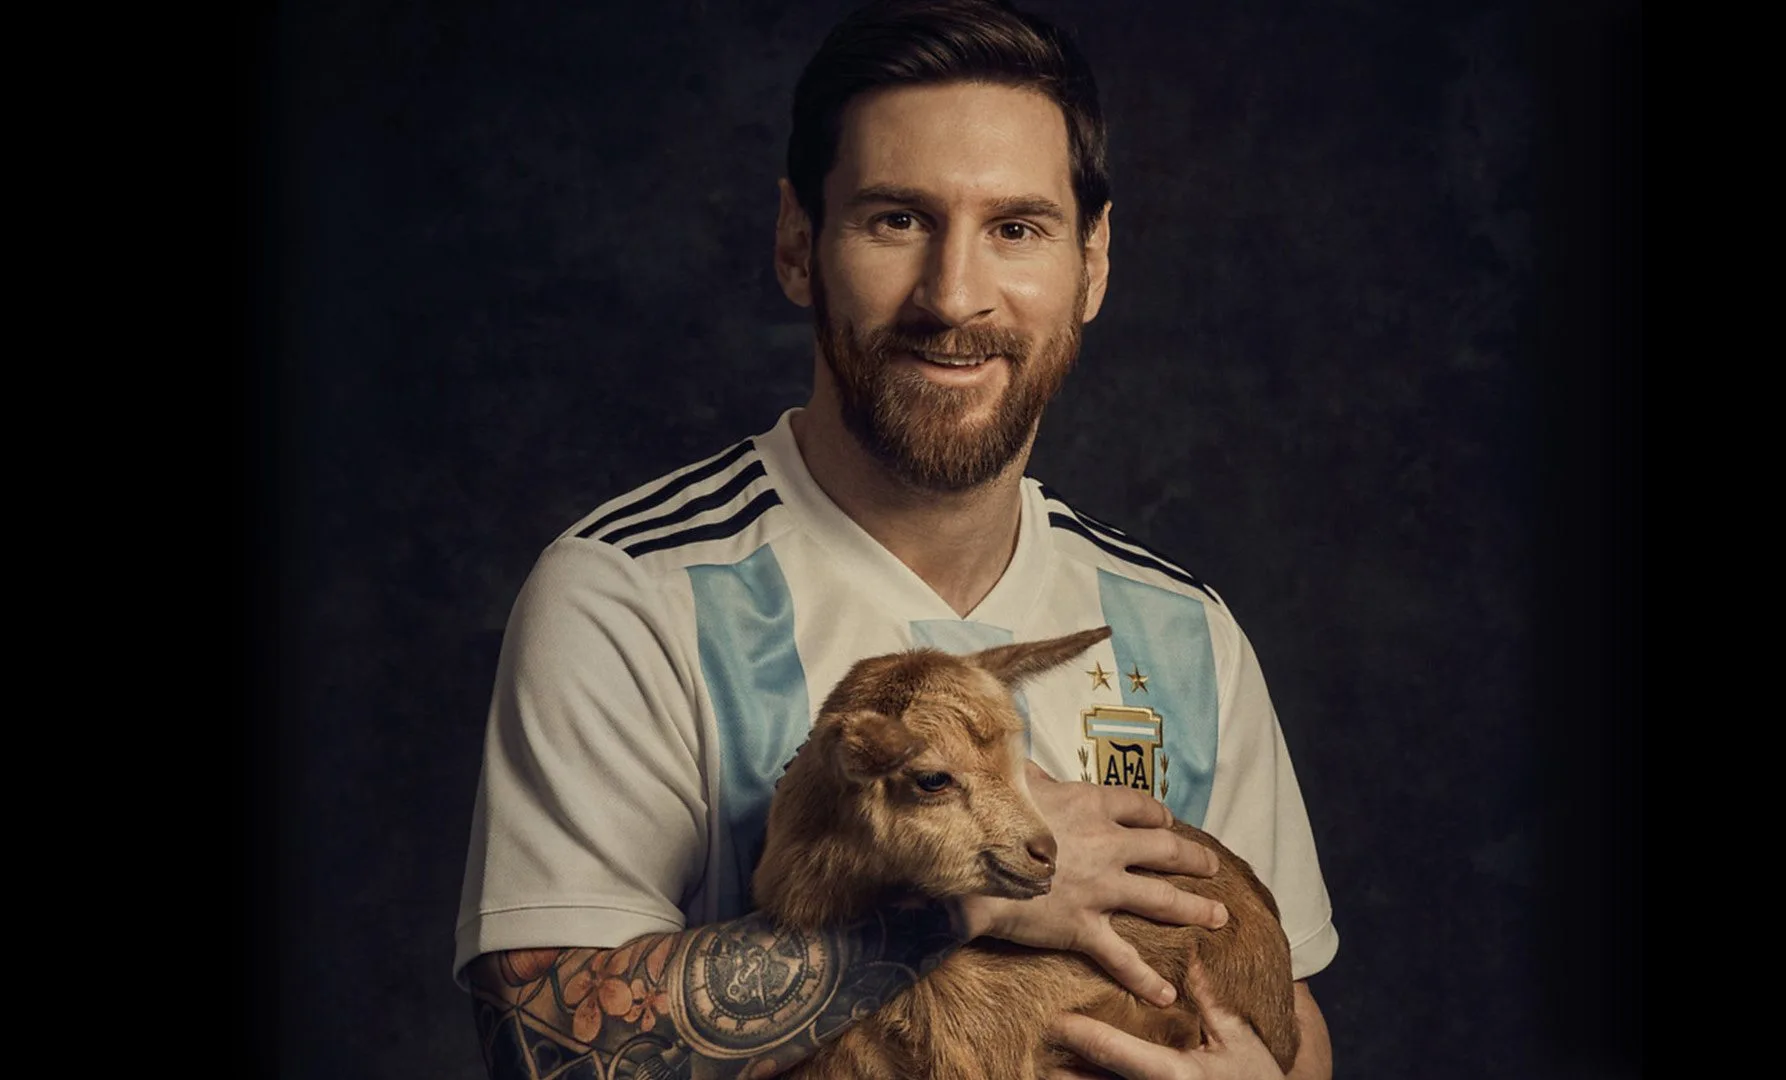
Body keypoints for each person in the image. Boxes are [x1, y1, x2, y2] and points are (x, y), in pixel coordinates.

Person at [454, 2, 1337, 1077]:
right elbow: (544, 1045)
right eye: (897, 220)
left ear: (1092, 262)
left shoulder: (1183, 633)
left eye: (1017, 228)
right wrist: (966, 898)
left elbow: (1286, 1019)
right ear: (798, 243)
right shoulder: (635, 597)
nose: (954, 296)